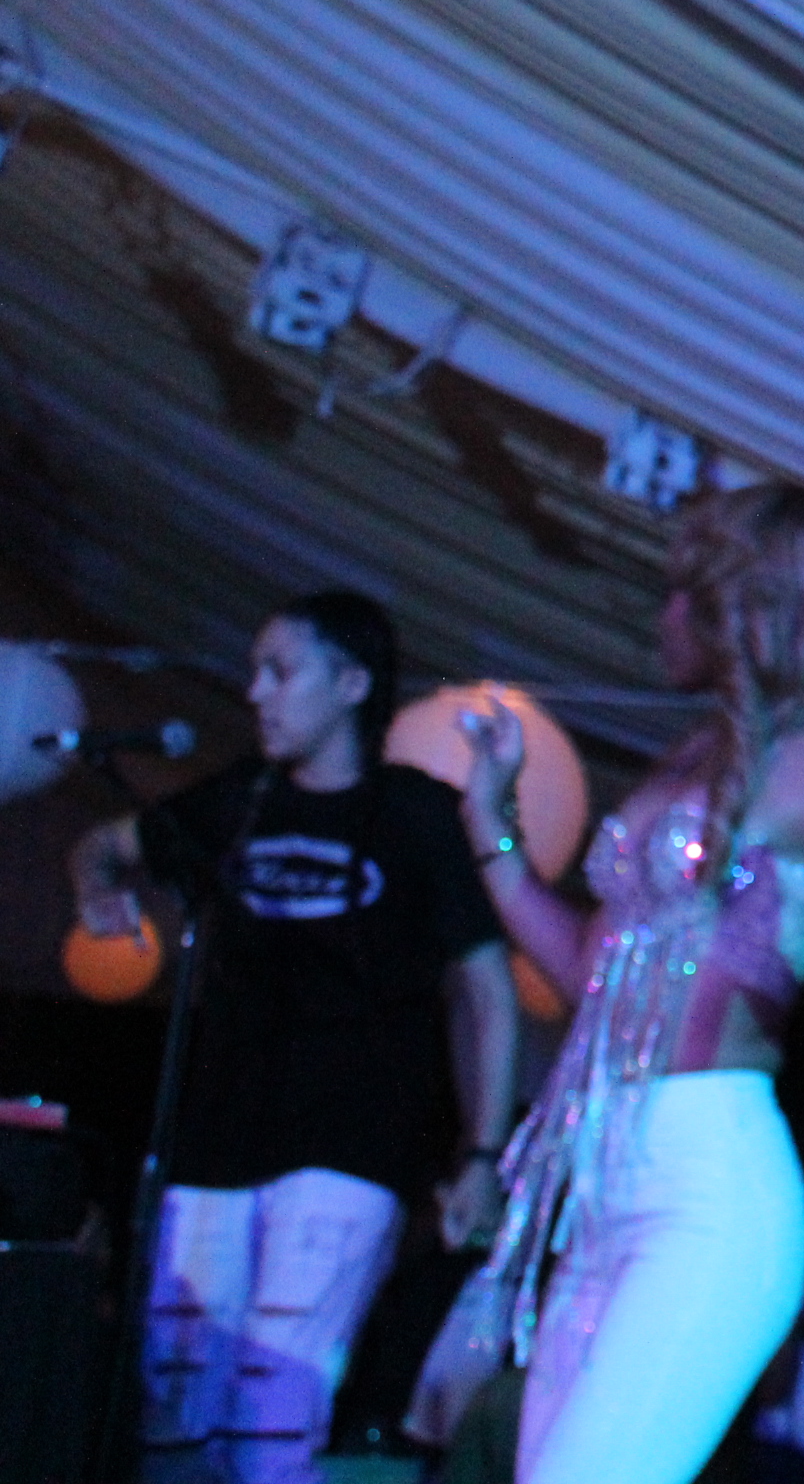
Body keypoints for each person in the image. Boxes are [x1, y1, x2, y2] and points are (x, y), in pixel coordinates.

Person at [453, 482, 804, 1484]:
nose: (662, 615)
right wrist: (490, 829)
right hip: (605, 1171)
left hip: (709, 1185)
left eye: (682, 592)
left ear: (748, 604)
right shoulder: (690, 753)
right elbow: (588, 973)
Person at [69, 589, 515, 1484]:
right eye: (255, 673)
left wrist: (481, 1153)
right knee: (174, 1419)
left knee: (273, 1414)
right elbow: (106, 844)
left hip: (350, 1147)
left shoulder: (415, 814)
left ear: (351, 684)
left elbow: (489, 992)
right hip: (213, 1143)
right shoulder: (241, 801)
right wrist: (96, 889)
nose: (257, 694)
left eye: (280, 672)